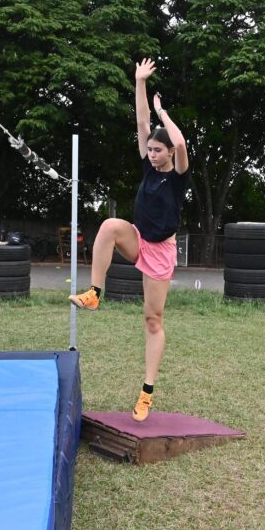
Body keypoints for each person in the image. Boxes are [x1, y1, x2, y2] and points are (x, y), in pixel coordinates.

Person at [69, 58, 190, 422]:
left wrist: (163, 113)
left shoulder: (179, 174)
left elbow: (180, 141)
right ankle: (94, 294)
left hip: (161, 251)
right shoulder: (147, 165)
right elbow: (140, 122)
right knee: (108, 226)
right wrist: (139, 83)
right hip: (138, 238)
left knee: (152, 319)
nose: (152, 155)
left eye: (158, 150)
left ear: (168, 153)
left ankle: (146, 392)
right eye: (150, 150)